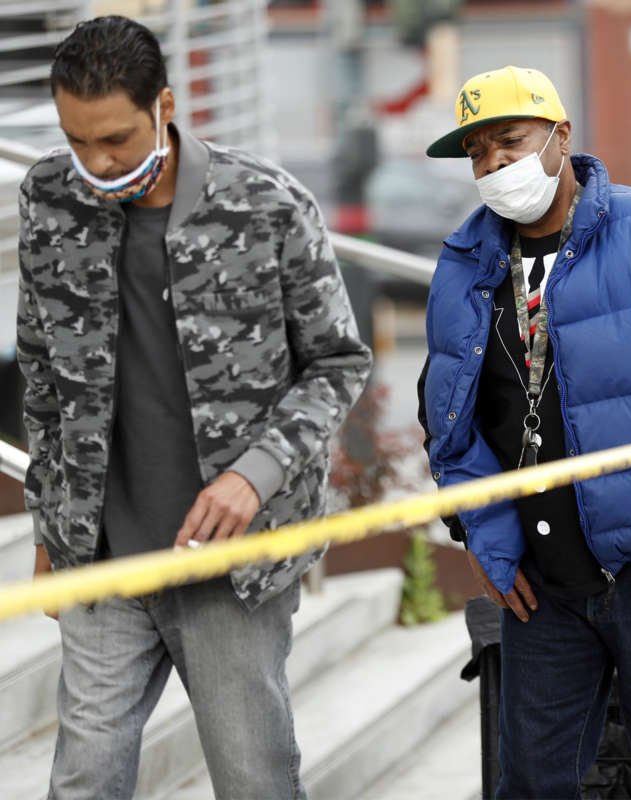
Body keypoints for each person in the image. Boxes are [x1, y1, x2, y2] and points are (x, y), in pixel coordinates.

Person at [16, 17, 372, 800]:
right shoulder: (47, 198)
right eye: (78, 142)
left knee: (253, 780)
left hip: (232, 567)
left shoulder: (270, 205)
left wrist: (255, 473)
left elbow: (339, 362)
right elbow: (42, 377)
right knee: (83, 779)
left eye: (115, 139)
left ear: (165, 106)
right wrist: (53, 527)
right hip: (105, 558)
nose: (96, 163)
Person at [416, 66, 631, 798]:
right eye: (478, 153)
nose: (495, 163)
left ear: (561, 137)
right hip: (542, 589)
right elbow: (445, 421)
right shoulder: (464, 265)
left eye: (511, 140)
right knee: (533, 782)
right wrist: (481, 537)